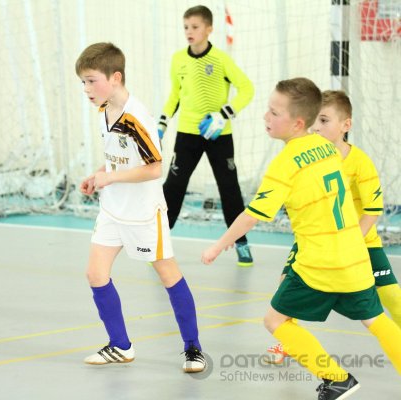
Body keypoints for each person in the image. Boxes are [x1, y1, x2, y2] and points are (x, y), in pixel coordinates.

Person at [201, 78, 401, 399]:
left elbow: (254, 214)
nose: (265, 117)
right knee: (375, 319)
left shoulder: (284, 164)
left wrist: (219, 244)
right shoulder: (329, 148)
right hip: (354, 256)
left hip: (319, 262)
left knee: (275, 319)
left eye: (274, 112)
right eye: (267, 109)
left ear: (296, 123)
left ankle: (336, 378)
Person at [75, 42, 205, 372]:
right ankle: (120, 345)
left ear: (115, 77)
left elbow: (153, 168)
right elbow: (117, 159)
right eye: (83, 83)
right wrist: (99, 175)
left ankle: (193, 349)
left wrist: (111, 178)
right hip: (112, 210)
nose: (87, 89)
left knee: (168, 275)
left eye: (92, 81)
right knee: (95, 274)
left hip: (144, 213)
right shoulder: (104, 110)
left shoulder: (137, 118)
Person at [264, 90, 401, 365]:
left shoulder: (360, 162)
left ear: (345, 126)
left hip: (361, 243)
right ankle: (288, 342)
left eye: (324, 120)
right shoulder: (311, 156)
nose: (317, 126)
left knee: (391, 297)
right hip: (317, 243)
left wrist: (350, 242)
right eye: (315, 120)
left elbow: (373, 211)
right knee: (284, 287)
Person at [158, 5, 255, 266]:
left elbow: (246, 89)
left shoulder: (221, 59)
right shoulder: (178, 59)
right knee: (174, 186)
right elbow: (175, 95)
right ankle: (159, 242)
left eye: (195, 27)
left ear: (209, 29)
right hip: (188, 133)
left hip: (218, 134)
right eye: (186, 27)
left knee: (229, 187)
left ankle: (242, 243)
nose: (189, 32)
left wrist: (224, 114)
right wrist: (162, 123)